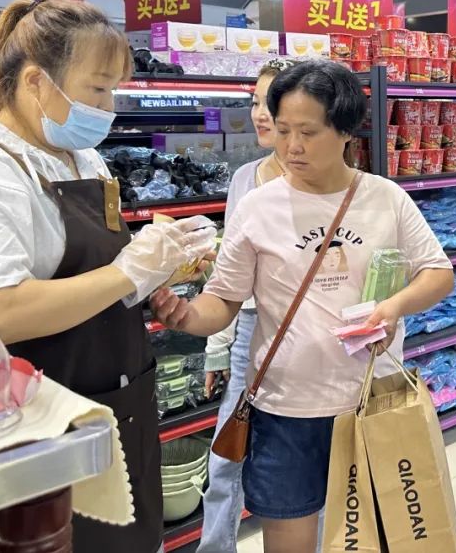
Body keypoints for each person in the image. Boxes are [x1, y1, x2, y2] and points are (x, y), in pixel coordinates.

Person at [0, 0, 217, 552]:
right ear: (36, 81)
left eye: (113, 90)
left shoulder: (82, 159)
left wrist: (149, 284)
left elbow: (99, 271)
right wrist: (127, 273)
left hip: (120, 408)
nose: (108, 107)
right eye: (97, 89)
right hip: (37, 430)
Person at [151, 60, 454, 553]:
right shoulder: (257, 207)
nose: (292, 146)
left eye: (308, 132)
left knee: (375, 537)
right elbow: (224, 299)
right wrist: (186, 317)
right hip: (285, 408)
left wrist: (394, 306)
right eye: (284, 129)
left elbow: (438, 273)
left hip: (370, 402)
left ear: (346, 131)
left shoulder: (386, 199)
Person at [198, 58, 293, 553]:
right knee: (225, 457)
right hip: (249, 331)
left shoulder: (332, 181)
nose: (259, 113)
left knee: (304, 458)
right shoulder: (245, 178)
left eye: (270, 102)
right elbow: (228, 273)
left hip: (304, 337)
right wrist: (218, 348)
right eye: (254, 101)